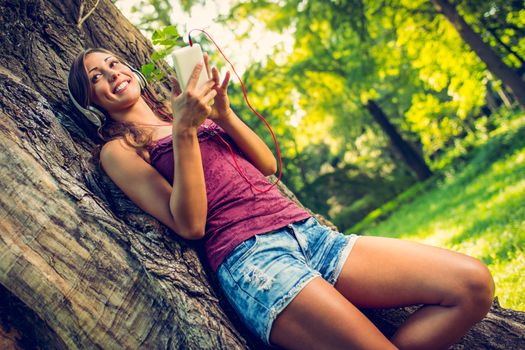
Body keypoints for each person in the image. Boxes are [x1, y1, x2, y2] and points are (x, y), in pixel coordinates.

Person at [68, 47, 495, 350]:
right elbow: (189, 224)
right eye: (95, 79)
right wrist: (182, 131)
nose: (111, 75)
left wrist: (223, 114)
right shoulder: (119, 150)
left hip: (312, 235)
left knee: (473, 286)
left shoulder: (181, 111)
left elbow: (267, 165)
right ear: (90, 102)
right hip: (254, 260)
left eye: (112, 64)